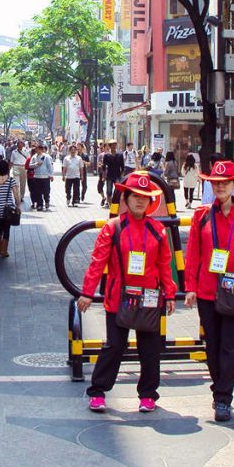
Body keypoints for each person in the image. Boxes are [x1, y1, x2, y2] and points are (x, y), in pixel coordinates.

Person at [77, 172, 177, 414]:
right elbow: (97, 262)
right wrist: (87, 293)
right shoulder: (113, 228)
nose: (140, 201)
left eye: (145, 197)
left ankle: (148, 395)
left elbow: (165, 264)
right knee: (115, 346)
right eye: (135, 196)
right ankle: (98, 392)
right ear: (126, 198)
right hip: (118, 299)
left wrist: (171, 294)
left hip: (150, 299)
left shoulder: (158, 230)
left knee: (150, 349)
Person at [184, 159, 234, 422]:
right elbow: (194, 254)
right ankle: (218, 390)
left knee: (230, 346)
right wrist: (190, 287)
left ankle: (223, 399)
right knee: (213, 346)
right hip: (208, 290)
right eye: (216, 183)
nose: (220, 187)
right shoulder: (201, 215)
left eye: (225, 183)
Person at [0, 159, 20, 258]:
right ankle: (4, 250)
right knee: (6, 228)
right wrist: (18, 205)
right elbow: (16, 194)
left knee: (0, 226)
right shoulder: (11, 180)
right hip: (8, 207)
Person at [101, 140, 125, 206]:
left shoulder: (120, 155)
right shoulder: (106, 155)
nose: (114, 146)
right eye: (112, 145)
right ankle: (111, 205)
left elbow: (122, 166)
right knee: (109, 192)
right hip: (109, 175)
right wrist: (103, 176)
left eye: (115, 145)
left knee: (118, 191)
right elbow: (104, 166)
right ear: (110, 146)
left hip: (117, 175)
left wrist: (122, 175)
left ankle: (116, 205)